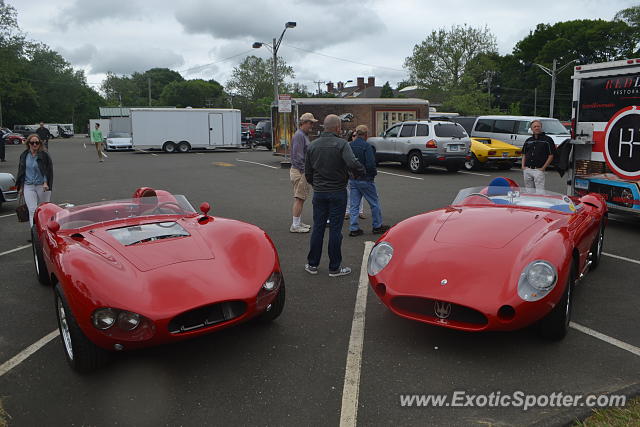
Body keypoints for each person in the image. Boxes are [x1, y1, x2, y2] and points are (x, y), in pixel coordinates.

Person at [304, 114, 365, 277]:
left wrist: (316, 184)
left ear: (324, 127)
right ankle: (334, 267)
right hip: (338, 191)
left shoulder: (313, 145)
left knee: (318, 228)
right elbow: (352, 163)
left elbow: (308, 172)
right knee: (335, 230)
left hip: (319, 192)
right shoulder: (342, 144)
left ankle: (312, 264)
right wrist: (360, 172)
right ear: (338, 128)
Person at [347, 125, 390, 237]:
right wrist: (372, 175)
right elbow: (371, 164)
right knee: (374, 203)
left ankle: (354, 227)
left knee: (354, 204)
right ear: (366, 135)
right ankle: (377, 225)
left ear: (356, 133)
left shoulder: (349, 145)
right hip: (365, 179)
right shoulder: (367, 146)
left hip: (353, 179)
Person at [16, 134, 53, 231]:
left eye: (37, 142)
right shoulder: (24, 155)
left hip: (42, 185)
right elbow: (21, 170)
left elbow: (47, 170)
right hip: (28, 185)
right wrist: (20, 186)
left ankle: (46, 231)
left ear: (40, 143)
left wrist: (46, 182)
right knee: (32, 210)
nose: (35, 144)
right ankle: (35, 233)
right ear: (28, 144)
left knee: (44, 209)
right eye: (32, 143)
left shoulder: (44, 155)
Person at [289, 113, 317, 233]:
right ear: (304, 123)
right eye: (310, 123)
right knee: (299, 198)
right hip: (300, 171)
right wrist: (304, 171)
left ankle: (298, 222)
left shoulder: (302, 135)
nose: (312, 125)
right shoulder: (299, 135)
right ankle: (295, 225)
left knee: (301, 197)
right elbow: (297, 156)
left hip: (301, 170)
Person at [522, 119, 556, 192]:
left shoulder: (548, 140)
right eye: (535, 127)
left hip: (539, 170)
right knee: (529, 191)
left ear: (541, 127)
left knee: (540, 192)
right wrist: (523, 166)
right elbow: (524, 154)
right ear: (531, 129)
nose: (537, 128)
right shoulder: (528, 140)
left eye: (538, 126)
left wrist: (543, 168)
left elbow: (551, 155)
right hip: (527, 169)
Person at [344, 129, 365, 220]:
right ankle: (347, 212)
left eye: (356, 135)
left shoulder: (362, 145)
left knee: (361, 193)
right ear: (350, 137)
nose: (355, 137)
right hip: (349, 173)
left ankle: (360, 211)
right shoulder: (347, 146)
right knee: (348, 193)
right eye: (353, 136)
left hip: (359, 173)